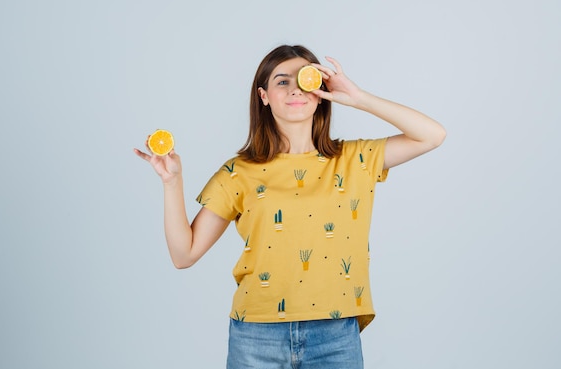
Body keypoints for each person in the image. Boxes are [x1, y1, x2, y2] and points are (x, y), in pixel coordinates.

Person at [134, 44, 446, 368]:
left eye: (305, 79)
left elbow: (432, 136)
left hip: (335, 334)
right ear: (263, 96)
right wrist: (172, 183)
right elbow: (184, 255)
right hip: (256, 335)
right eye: (282, 81)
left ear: (320, 89)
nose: (295, 88)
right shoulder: (238, 171)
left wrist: (358, 98)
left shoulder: (356, 159)